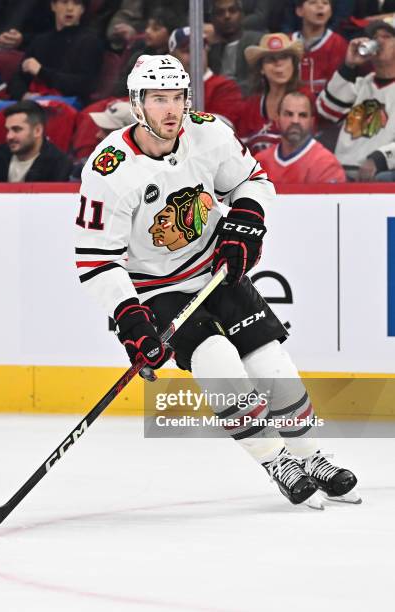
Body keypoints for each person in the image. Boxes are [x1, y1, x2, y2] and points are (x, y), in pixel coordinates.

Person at [75, 53, 360, 508]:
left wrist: (246, 220)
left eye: (177, 98)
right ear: (136, 103)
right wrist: (131, 320)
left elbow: (254, 182)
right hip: (157, 288)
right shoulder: (110, 170)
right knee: (217, 360)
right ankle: (275, 459)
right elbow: (96, 262)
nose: (171, 110)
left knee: (272, 363)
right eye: (158, 100)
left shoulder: (208, 133)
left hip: (214, 270)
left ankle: (310, 454)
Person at [317, 17, 395, 180]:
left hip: (380, 172)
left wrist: (379, 159)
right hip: (340, 170)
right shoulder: (360, 84)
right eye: (375, 37)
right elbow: (327, 111)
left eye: (386, 37)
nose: (378, 41)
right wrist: (348, 66)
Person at [7, 0, 104, 105]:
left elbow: (84, 85)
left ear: (82, 9)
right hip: (32, 100)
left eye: (76, 3)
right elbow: (18, 77)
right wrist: (23, 95)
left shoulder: (90, 42)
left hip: (67, 103)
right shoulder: (40, 40)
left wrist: (41, 72)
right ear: (53, 6)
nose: (70, 8)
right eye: (64, 2)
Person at [0, 100, 71, 182]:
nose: (9, 136)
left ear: (37, 130)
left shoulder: (59, 164)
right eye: (8, 130)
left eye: (16, 129)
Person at [237, 32, 306, 154]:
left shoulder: (305, 99)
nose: (278, 64)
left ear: (293, 65)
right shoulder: (250, 106)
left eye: (284, 57)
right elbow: (241, 154)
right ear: (261, 69)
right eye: (271, 59)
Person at [256, 91, 346, 182]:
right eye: (289, 114)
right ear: (277, 120)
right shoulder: (259, 162)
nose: (295, 121)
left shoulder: (326, 164)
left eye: (302, 115)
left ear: (312, 122)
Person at [169, 25, 243, 127]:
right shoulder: (164, 90)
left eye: (200, 48)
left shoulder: (225, 87)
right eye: (187, 51)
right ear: (173, 57)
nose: (195, 55)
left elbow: (220, 128)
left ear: (207, 49)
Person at [291, 0, 348, 95]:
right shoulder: (288, 42)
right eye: (313, 2)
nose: (320, 6)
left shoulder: (339, 43)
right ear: (299, 11)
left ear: (330, 12)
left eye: (325, 3)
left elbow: (339, 86)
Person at [207, 0, 263, 95]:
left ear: (242, 15)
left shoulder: (257, 42)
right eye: (220, 13)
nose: (227, 16)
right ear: (213, 20)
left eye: (232, 11)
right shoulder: (209, 49)